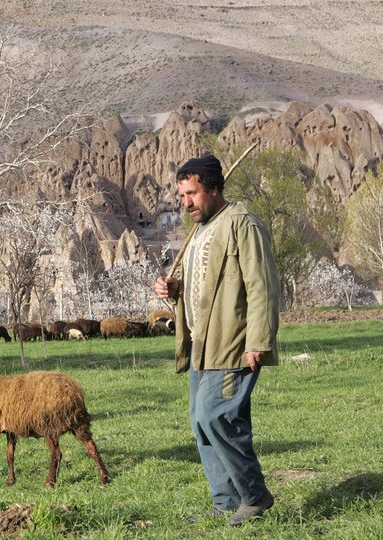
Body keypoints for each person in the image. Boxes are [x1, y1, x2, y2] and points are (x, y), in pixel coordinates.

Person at [154, 154, 280, 527]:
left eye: (191, 193)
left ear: (212, 188)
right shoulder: (199, 232)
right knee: (200, 422)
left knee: (217, 416)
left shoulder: (242, 223)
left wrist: (258, 339)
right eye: (182, 196)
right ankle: (225, 501)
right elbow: (204, 286)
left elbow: (262, 285)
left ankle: (255, 496)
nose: (186, 203)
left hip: (232, 342)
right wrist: (174, 289)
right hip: (200, 345)